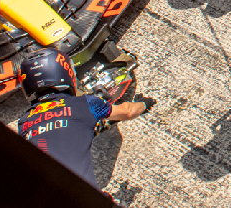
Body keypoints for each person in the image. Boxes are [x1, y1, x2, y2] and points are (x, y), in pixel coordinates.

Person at [14, 49, 148, 185]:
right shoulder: (85, 103)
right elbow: (128, 112)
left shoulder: (24, 121)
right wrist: (144, 104)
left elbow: (53, 134)